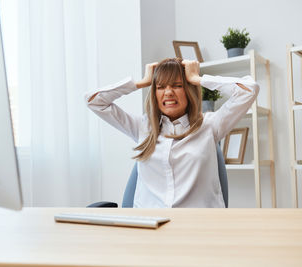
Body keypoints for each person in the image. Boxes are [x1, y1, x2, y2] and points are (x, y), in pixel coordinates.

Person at [84, 58, 259, 208]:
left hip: (197, 228)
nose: (168, 92)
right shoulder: (142, 126)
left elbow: (249, 90)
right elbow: (94, 101)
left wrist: (198, 78)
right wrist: (141, 82)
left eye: (177, 85)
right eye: (160, 87)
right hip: (148, 227)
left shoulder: (210, 125)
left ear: (189, 90)